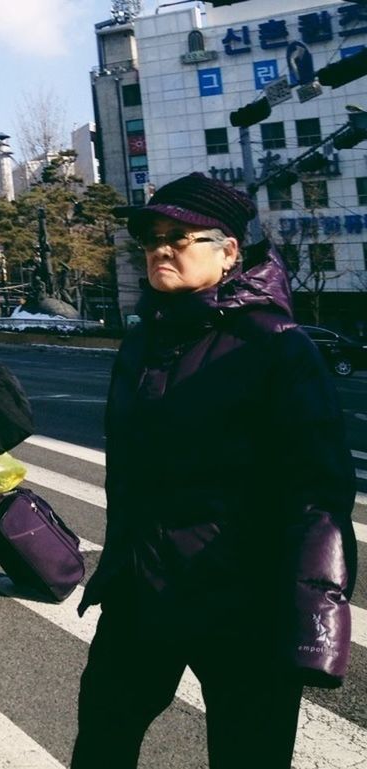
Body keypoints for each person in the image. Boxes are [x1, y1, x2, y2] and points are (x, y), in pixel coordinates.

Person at [71, 173, 357, 769]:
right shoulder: (144, 340)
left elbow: (318, 490)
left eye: (179, 236)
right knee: (102, 737)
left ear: (229, 252)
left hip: (242, 600)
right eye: (152, 236)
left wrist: (316, 618)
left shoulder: (278, 347)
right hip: (142, 588)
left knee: (247, 753)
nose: (160, 248)